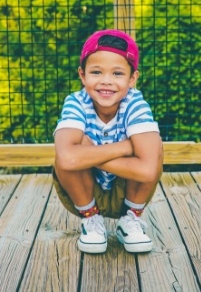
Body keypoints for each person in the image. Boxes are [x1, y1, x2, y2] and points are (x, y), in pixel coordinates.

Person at [53, 29, 163, 254]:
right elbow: (66, 159)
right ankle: (91, 221)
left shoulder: (135, 104)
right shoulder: (75, 102)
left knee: (154, 145)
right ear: (82, 75)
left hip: (127, 188)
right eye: (96, 72)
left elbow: (147, 170)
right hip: (86, 190)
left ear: (132, 79)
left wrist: (86, 155)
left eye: (117, 73)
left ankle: (131, 220)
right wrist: (125, 147)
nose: (106, 81)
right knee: (73, 143)